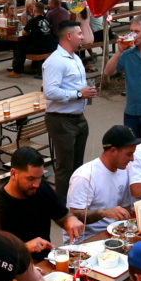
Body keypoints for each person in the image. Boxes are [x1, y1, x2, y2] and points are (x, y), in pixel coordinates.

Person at [0, 147, 85, 260]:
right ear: (13, 173)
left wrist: (70, 220)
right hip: (17, 266)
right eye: (31, 179)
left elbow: (62, 216)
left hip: (47, 260)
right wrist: (25, 247)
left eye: (39, 178)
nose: (37, 184)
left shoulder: (42, 189)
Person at [42, 20, 97, 187]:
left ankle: (76, 199)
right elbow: (50, 92)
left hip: (78, 117)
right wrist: (79, 94)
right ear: (68, 36)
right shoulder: (55, 61)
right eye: (79, 34)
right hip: (61, 120)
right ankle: (62, 202)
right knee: (65, 168)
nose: (82, 37)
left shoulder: (75, 58)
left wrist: (85, 92)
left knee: (77, 168)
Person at [67, 125, 137, 236]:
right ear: (113, 151)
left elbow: (126, 207)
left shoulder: (124, 170)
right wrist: (103, 212)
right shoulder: (84, 176)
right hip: (86, 238)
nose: (132, 159)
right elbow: (75, 215)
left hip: (114, 232)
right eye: (129, 154)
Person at [8, 0, 56, 77]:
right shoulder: (46, 19)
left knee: (20, 47)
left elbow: (23, 32)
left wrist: (29, 33)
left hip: (41, 48)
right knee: (30, 44)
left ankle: (16, 71)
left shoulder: (33, 21)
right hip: (51, 46)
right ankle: (34, 66)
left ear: (34, 10)